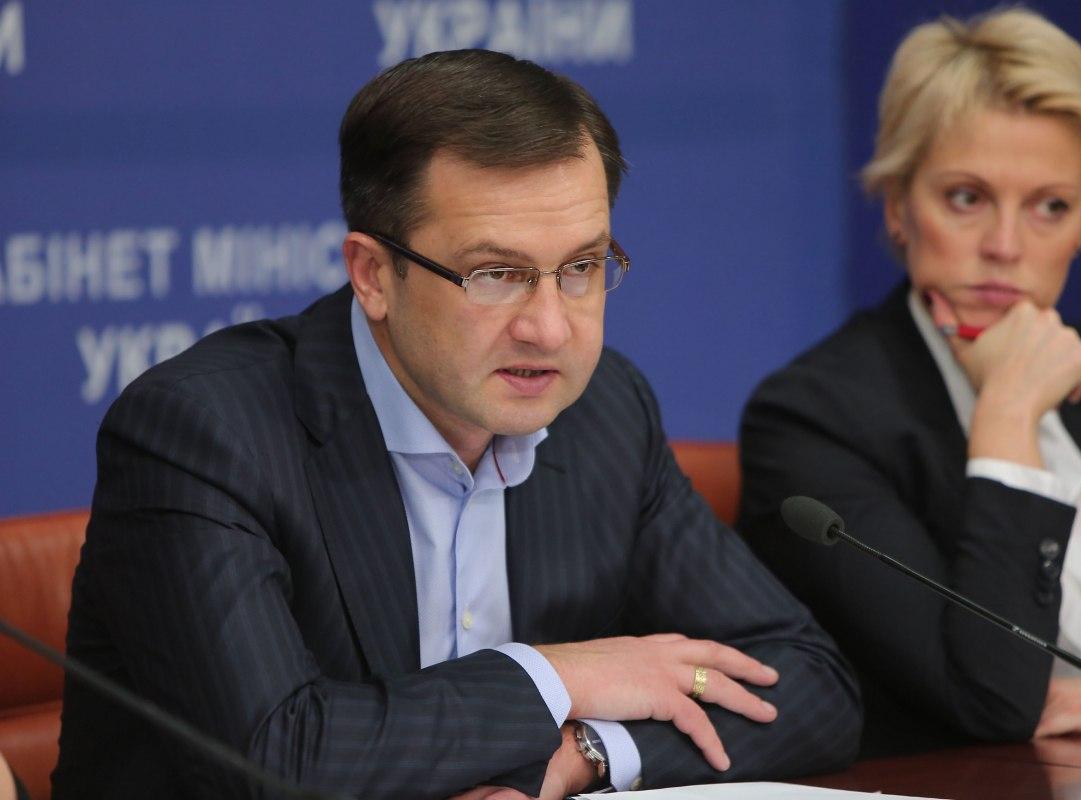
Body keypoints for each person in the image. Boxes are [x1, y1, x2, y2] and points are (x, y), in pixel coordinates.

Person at [53, 49, 860, 798]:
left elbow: (809, 687)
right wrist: (556, 677)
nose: (550, 328)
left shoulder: (603, 411)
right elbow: (276, 756)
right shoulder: (207, 432)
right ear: (374, 274)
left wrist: (582, 753)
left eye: (582, 267)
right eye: (496, 274)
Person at [738, 7, 1081, 758]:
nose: (1005, 246)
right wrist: (1009, 416)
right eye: (967, 197)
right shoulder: (814, 418)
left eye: (1051, 206)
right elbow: (989, 701)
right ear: (899, 208)